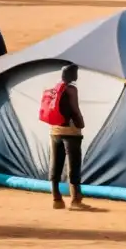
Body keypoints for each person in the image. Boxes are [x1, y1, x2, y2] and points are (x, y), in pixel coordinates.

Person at [49, 64, 86, 210]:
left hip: (55, 131)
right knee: (73, 164)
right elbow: (75, 109)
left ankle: (56, 198)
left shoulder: (54, 88)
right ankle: (75, 200)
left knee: (56, 163)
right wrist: (81, 124)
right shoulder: (71, 89)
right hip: (71, 132)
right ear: (71, 75)